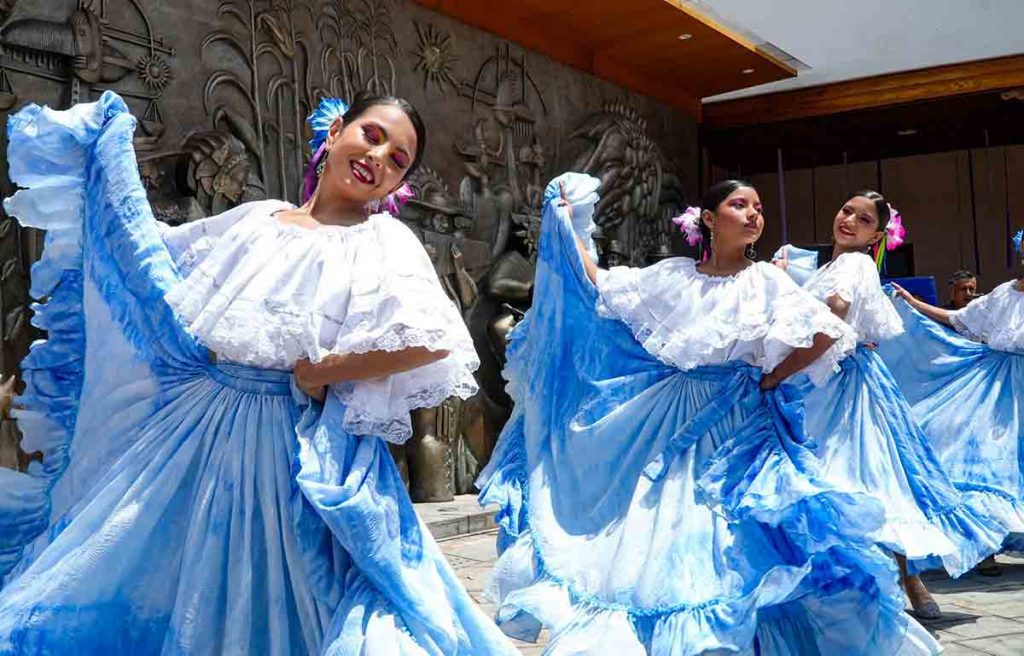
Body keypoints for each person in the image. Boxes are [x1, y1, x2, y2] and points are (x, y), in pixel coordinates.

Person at [0, 92, 518, 654]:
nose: (380, 156)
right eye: (373, 135)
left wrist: (325, 370)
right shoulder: (256, 218)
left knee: (281, 586)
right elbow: (155, 260)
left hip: (288, 443)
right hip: (202, 426)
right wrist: (107, 158)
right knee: (167, 569)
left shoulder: (381, 240)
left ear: (397, 188)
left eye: (398, 160)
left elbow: (431, 340)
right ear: (338, 131)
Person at [476, 174, 938, 654]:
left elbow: (826, 332)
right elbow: (599, 282)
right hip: (670, 421)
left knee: (725, 542)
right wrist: (569, 221)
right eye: (741, 205)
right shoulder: (674, 276)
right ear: (709, 220)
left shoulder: (767, 281)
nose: (755, 214)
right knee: (661, 540)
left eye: (759, 207)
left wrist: (772, 378)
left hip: (735, 433)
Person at [772, 192, 1007, 619]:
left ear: (876, 235)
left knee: (868, 477)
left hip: (847, 385)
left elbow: (839, 308)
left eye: (863, 220)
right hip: (829, 380)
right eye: (846, 211)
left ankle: (905, 580)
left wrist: (823, 336)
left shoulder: (855, 264)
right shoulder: (832, 265)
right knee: (859, 480)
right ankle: (875, 584)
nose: (849, 221)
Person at [882, 229, 1024, 577]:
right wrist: (913, 305)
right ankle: (983, 543)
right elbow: (957, 319)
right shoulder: (1003, 294)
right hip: (996, 388)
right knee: (985, 460)